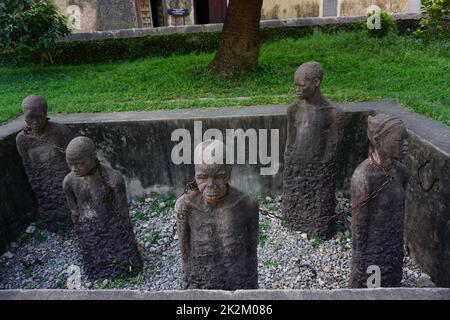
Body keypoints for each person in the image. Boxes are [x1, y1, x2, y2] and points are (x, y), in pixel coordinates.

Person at [175, 140, 259, 289]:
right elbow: (185, 251)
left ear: (229, 172)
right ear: (195, 174)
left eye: (219, 176)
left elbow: (251, 253)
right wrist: (186, 284)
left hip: (238, 283)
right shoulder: (186, 206)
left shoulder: (247, 204)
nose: (210, 184)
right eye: (202, 177)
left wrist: (251, 286)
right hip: (200, 284)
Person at [63, 136, 142, 280]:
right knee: (94, 258)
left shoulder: (113, 179)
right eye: (71, 164)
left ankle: (126, 270)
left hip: (111, 226)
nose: (75, 169)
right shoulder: (69, 181)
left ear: (93, 157)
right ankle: (97, 272)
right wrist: (78, 221)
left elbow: (123, 213)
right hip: (88, 229)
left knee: (121, 257)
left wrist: (125, 233)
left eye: (80, 163)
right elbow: (73, 208)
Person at [282, 61, 344, 239]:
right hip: (296, 167)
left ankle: (318, 228)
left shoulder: (333, 113)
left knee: (317, 203)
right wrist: (291, 161)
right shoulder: (293, 110)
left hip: (319, 169)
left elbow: (333, 147)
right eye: (295, 85)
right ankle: (292, 220)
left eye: (301, 85)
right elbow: (290, 140)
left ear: (316, 83)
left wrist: (322, 168)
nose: (297, 89)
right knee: (295, 198)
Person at [349, 113, 409, 288]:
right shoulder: (363, 177)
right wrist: (360, 260)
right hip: (372, 251)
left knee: (391, 282)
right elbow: (359, 226)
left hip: (393, 246)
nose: (406, 145)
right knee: (369, 288)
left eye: (406, 139)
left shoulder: (402, 172)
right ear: (378, 141)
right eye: (400, 140)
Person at [16, 95, 73, 232]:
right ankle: (55, 226)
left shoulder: (60, 131)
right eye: (30, 117)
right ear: (24, 116)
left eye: (39, 117)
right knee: (50, 211)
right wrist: (36, 183)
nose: (35, 122)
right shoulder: (22, 139)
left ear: (46, 114)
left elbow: (74, 156)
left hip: (64, 179)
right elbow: (28, 166)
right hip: (43, 184)